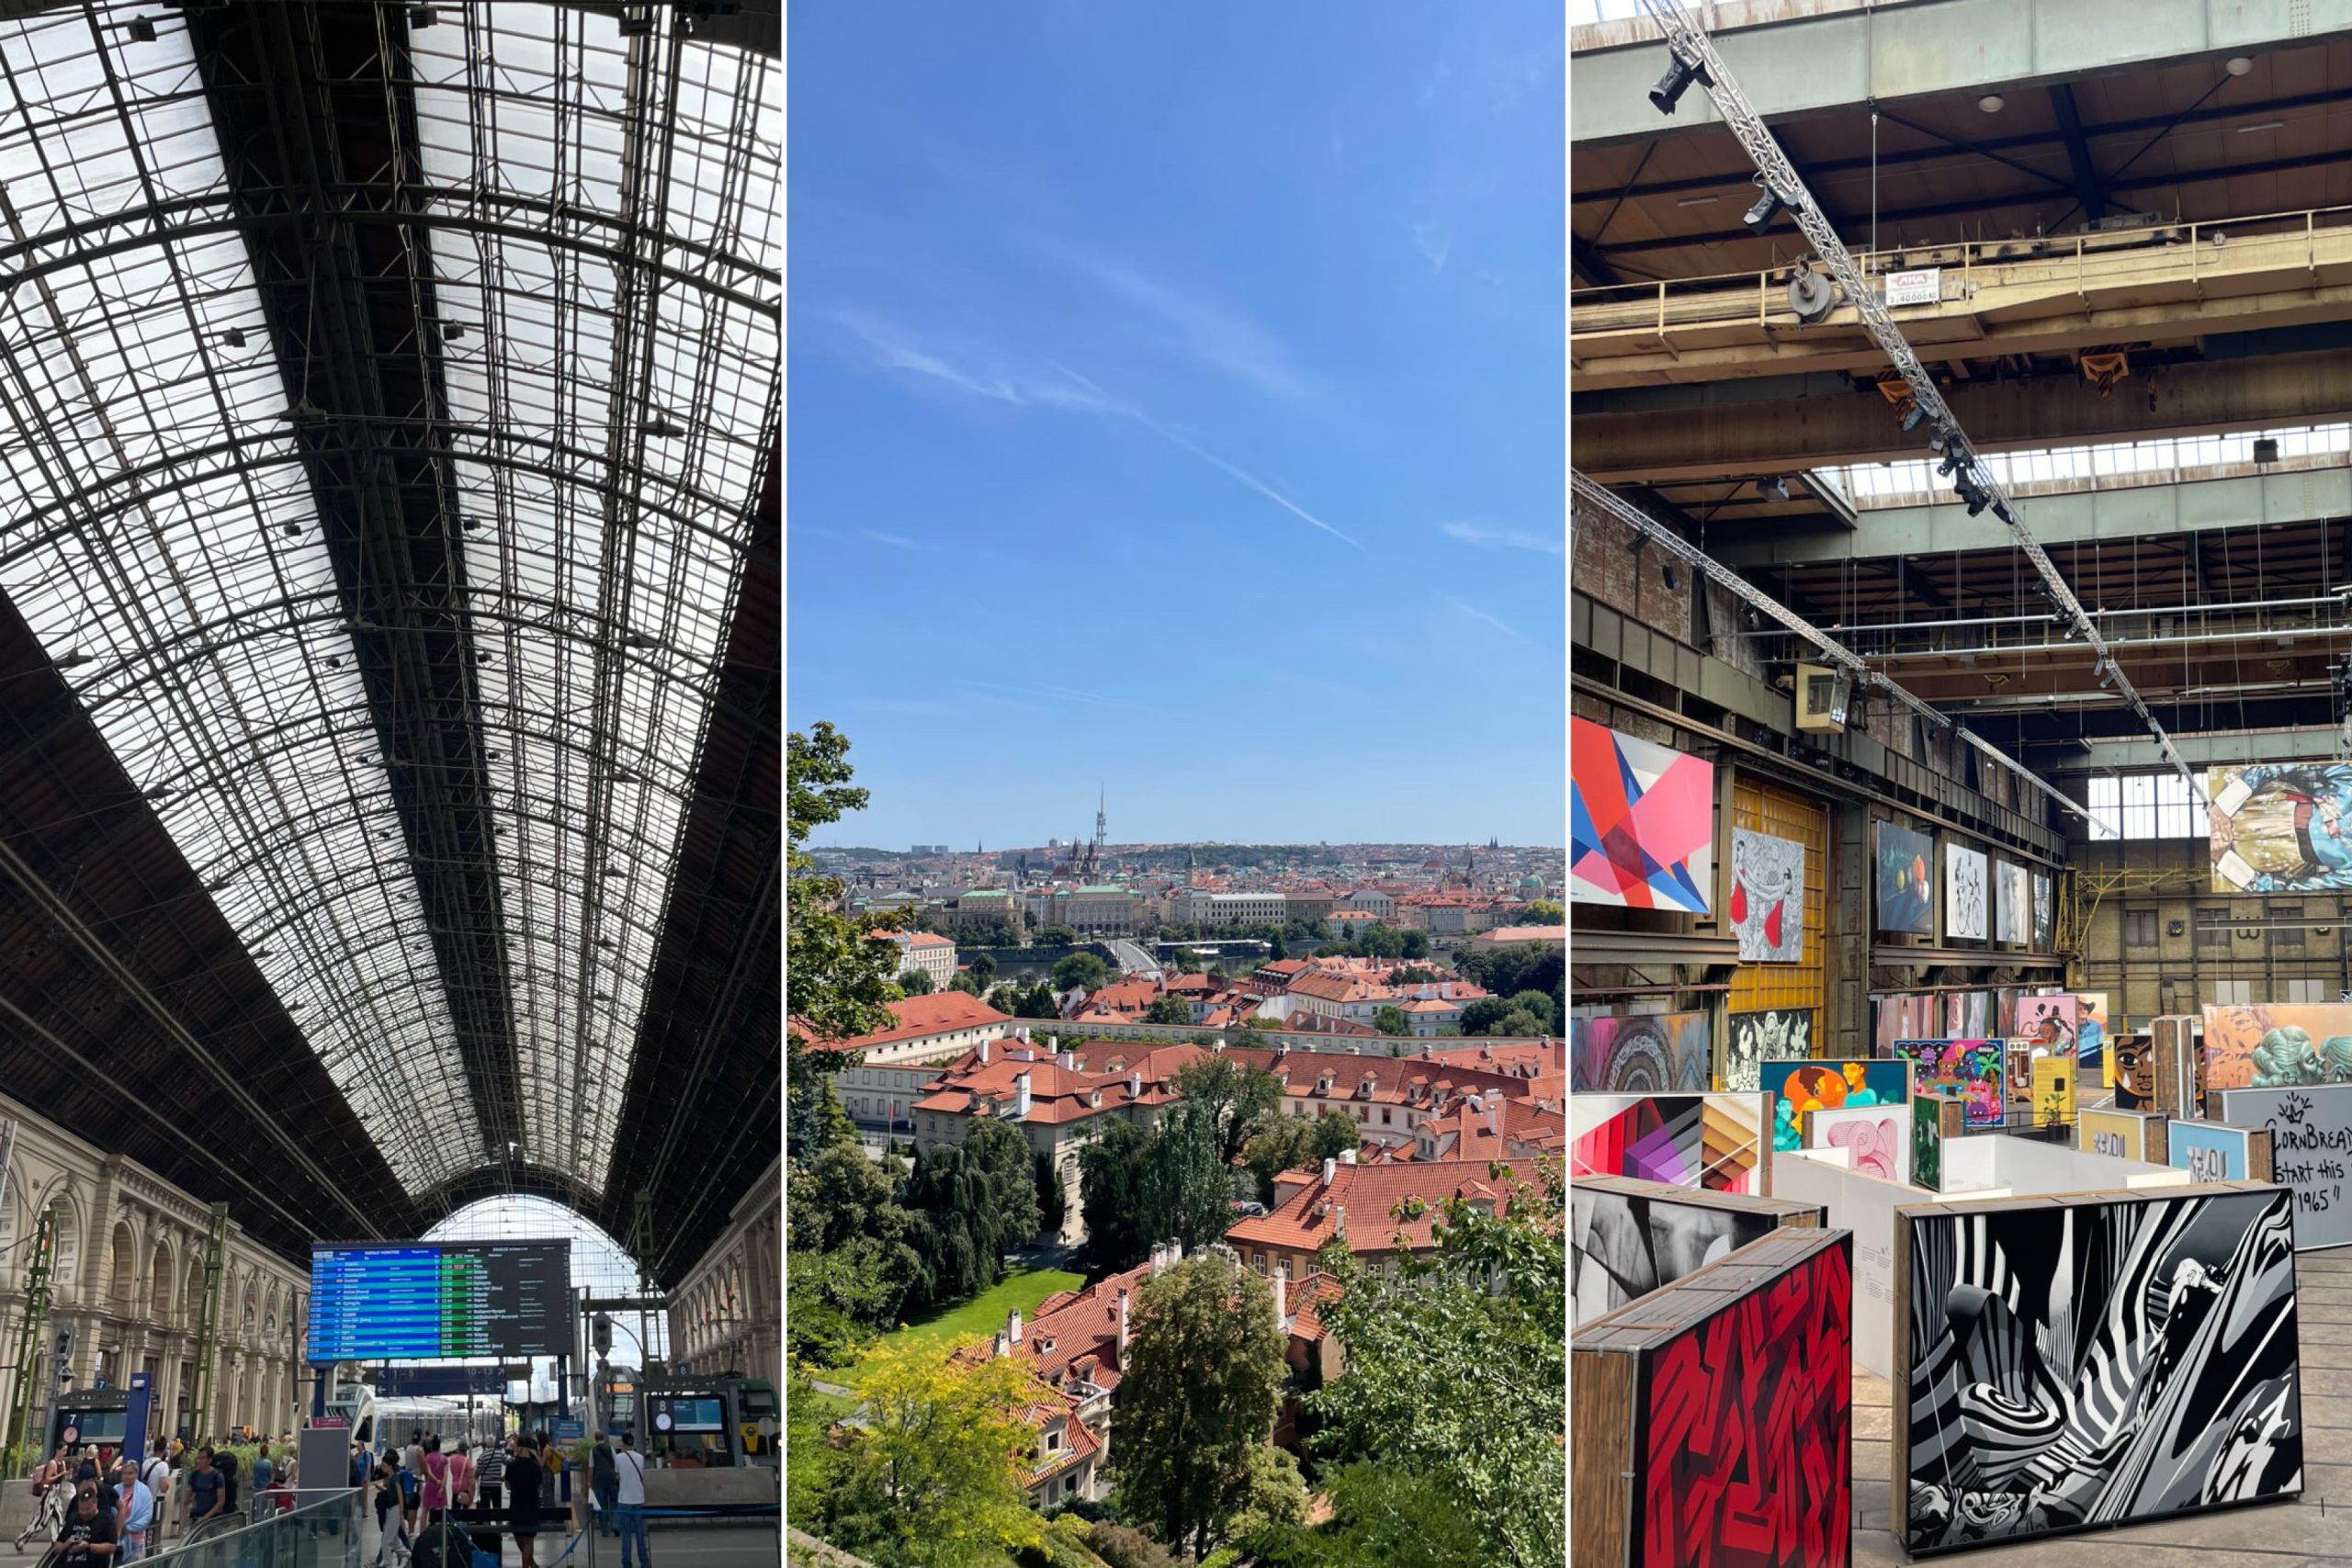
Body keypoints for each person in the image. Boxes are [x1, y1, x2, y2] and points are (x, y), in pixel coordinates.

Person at [612, 1431, 650, 1568]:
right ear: (633, 1443)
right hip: (638, 1500)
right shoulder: (640, 1458)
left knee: (626, 1535)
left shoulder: (618, 1458)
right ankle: (644, 1562)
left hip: (624, 1501)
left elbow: (617, 1476)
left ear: (622, 1443)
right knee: (640, 1534)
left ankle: (627, 1564)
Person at [504, 1438, 543, 1568]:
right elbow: (539, 1487)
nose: (515, 1449)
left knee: (520, 1538)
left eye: (517, 1447)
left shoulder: (511, 1466)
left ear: (522, 1448)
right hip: (532, 1509)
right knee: (528, 1542)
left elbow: (508, 1486)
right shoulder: (535, 1467)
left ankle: (528, 1563)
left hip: (515, 1509)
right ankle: (528, 1564)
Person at [55, 1486, 116, 1563]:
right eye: (81, 1509)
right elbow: (57, 1545)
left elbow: (111, 1547)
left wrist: (88, 1546)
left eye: (88, 1509)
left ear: (95, 1504)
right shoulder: (73, 1518)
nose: (84, 1513)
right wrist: (66, 1545)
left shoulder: (106, 1520)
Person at [369, 1458, 408, 1568]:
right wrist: (381, 1489)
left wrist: (401, 1513)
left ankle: (388, 1564)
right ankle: (407, 1554)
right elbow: (392, 1494)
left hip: (395, 1509)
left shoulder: (395, 1478)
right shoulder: (391, 1478)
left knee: (387, 1540)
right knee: (394, 1539)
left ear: (390, 1466)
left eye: (384, 1465)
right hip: (392, 1509)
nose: (382, 1467)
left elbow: (400, 1495)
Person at [471, 1433, 504, 1558]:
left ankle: (487, 1530)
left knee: (485, 1509)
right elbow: (509, 1462)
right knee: (497, 1508)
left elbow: (478, 1471)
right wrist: (503, 1478)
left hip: (485, 1485)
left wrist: (476, 1475)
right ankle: (499, 1531)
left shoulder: (483, 1455)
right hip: (496, 1485)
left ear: (486, 1444)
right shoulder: (500, 1453)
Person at [113, 1461, 152, 1564]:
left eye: (130, 1473)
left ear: (136, 1474)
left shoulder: (145, 1491)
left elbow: (147, 1517)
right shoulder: (116, 1489)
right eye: (124, 1473)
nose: (126, 1476)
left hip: (135, 1541)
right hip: (117, 1542)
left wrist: (127, 1528)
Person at [185, 1449, 225, 1532]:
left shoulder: (217, 1476)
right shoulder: (194, 1476)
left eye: (202, 1458)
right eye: (198, 1458)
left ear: (209, 1460)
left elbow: (220, 1502)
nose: (199, 1461)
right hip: (196, 1516)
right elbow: (187, 1497)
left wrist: (205, 1517)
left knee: (215, 1543)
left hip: (212, 1518)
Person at [589, 1429, 617, 1536]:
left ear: (595, 1439)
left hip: (599, 1479)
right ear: (604, 1438)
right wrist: (615, 1474)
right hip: (611, 1478)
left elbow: (591, 1467)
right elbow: (616, 1462)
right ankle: (615, 1525)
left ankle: (605, 1531)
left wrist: (590, 1482)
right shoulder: (610, 1448)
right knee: (614, 1502)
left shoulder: (593, 1450)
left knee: (601, 1505)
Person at [421, 1437, 448, 1525]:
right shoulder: (444, 1459)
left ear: (432, 1446)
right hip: (440, 1487)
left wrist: (436, 1480)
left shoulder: (428, 1457)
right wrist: (441, 1487)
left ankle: (422, 1532)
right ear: (439, 1446)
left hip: (430, 1487)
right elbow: (445, 1475)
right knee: (442, 1510)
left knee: (425, 1510)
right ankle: (441, 1531)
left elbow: (429, 1473)